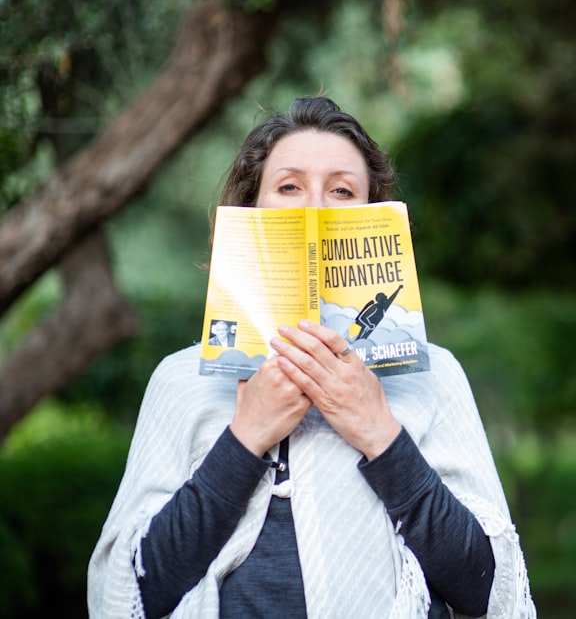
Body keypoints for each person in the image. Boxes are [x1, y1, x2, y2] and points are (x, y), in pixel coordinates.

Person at [88, 97, 536, 618]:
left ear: (374, 220)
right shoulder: (181, 380)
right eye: (289, 187)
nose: (315, 207)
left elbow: (486, 591)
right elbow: (129, 595)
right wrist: (245, 438)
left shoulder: (433, 377)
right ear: (250, 212)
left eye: (342, 191)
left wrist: (379, 433)